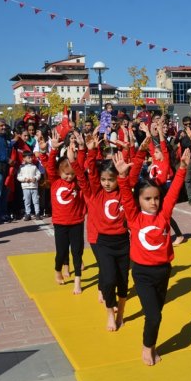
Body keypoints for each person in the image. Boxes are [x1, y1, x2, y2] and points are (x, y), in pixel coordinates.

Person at [114, 147, 190, 365]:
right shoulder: (134, 217)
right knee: (154, 315)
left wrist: (182, 169)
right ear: (139, 200)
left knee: (157, 313)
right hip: (142, 272)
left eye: (156, 198)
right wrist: (121, 177)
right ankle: (148, 347)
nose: (153, 202)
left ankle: (152, 342)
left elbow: (173, 192)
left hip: (163, 271)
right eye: (148, 198)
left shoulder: (164, 215)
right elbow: (126, 198)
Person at [75, 132, 130, 331]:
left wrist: (129, 149)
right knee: (108, 279)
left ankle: (121, 311)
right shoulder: (96, 192)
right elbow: (86, 175)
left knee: (123, 281)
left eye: (111, 179)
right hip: (103, 242)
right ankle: (109, 312)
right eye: (104, 179)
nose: (107, 183)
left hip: (123, 242)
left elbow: (131, 170)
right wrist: (89, 152)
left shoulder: (124, 192)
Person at [39, 130, 86, 294]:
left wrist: (80, 149)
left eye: (72, 174)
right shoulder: (55, 182)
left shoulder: (78, 183)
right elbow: (50, 166)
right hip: (60, 223)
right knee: (61, 251)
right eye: (67, 174)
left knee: (77, 252)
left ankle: (77, 281)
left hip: (77, 222)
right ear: (60, 173)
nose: (69, 177)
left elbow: (80, 168)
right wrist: (52, 150)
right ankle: (59, 268)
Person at [17, 151, 41, 220]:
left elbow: (38, 174)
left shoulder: (34, 167)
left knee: (36, 201)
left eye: (31, 157)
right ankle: (28, 213)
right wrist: (24, 179)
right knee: (27, 201)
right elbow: (18, 177)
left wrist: (35, 178)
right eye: (29, 158)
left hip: (34, 187)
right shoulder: (21, 167)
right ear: (24, 158)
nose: (31, 159)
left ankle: (37, 213)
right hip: (25, 187)